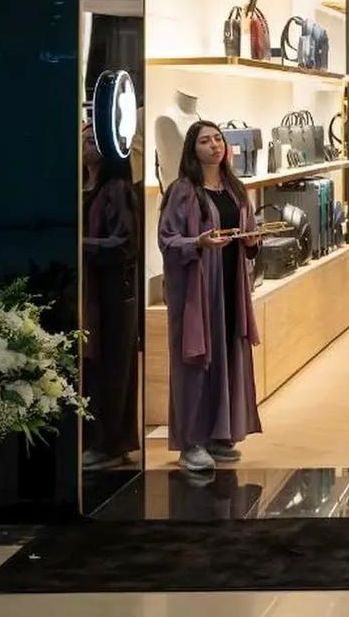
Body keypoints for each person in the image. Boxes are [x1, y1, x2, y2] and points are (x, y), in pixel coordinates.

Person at [158, 122, 262, 472]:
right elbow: (167, 239)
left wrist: (251, 242)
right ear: (193, 149)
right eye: (205, 141)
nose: (215, 145)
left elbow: (247, 235)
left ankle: (219, 433)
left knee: (227, 354)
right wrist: (198, 243)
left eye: (218, 139)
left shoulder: (235, 188)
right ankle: (191, 442)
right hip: (197, 290)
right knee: (195, 361)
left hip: (230, 286)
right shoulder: (183, 191)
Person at [81, 124, 141, 470]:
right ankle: (97, 440)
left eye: (94, 140)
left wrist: (81, 246)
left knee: (111, 367)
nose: (87, 145)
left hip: (111, 294)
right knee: (91, 366)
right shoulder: (82, 187)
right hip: (88, 290)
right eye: (84, 139)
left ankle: (110, 442)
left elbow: (125, 244)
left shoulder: (116, 189)